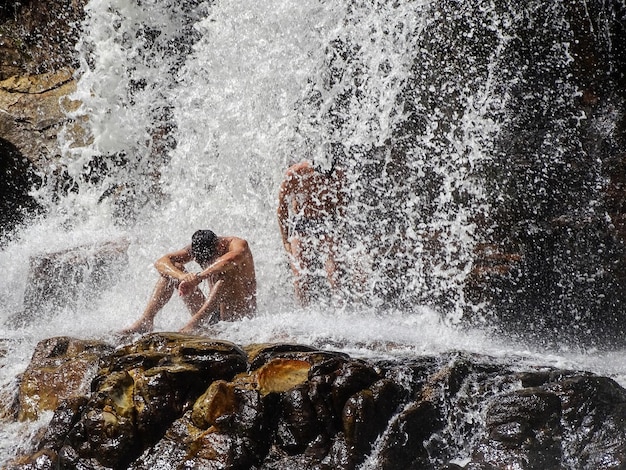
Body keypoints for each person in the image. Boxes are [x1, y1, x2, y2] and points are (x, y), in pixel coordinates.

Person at [121, 229, 256, 334]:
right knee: (173, 270)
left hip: (237, 315)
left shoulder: (238, 244)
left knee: (228, 273)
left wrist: (199, 277)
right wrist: (182, 277)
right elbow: (161, 262)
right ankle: (145, 321)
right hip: (210, 313)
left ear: (220, 246)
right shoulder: (195, 249)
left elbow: (230, 260)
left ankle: (193, 324)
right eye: (202, 262)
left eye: (210, 261)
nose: (206, 264)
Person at [277, 159, 345, 305]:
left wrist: (338, 232)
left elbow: (340, 204)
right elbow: (282, 207)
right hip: (301, 222)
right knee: (300, 273)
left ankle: (339, 310)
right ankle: (302, 309)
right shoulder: (295, 173)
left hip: (326, 221)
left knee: (333, 272)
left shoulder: (336, 173)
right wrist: (285, 240)